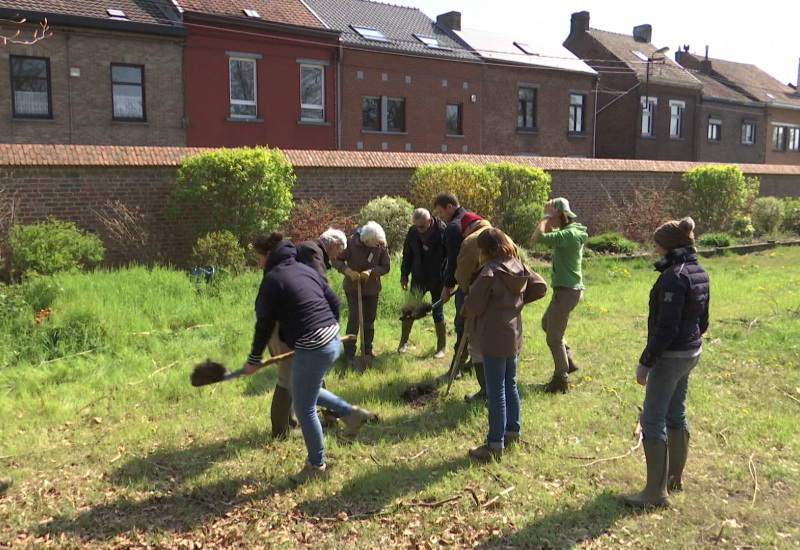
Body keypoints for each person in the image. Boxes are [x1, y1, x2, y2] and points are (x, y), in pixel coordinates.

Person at [244, 233, 374, 485]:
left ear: (268, 255)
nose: (257, 263)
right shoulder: (304, 269)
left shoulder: (272, 279)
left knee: (304, 407)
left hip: (311, 342)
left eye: (258, 258)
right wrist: (328, 329)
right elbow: (333, 300)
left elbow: (264, 325)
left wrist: (253, 359)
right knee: (301, 388)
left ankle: (316, 465)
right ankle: (351, 413)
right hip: (329, 340)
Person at [624, 217, 709, 508]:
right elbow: (703, 319)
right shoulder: (698, 270)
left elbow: (667, 327)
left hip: (672, 356)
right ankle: (673, 479)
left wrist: (646, 362)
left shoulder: (674, 276)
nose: (654, 247)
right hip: (690, 352)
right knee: (676, 413)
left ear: (668, 245)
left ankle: (654, 493)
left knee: (652, 419)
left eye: (657, 242)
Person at [463, 228, 547, 461]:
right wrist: (515, 304)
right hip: (512, 333)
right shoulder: (518, 265)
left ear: (486, 249)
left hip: (492, 335)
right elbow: (540, 286)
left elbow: (475, 306)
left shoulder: (489, 271)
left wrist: (469, 304)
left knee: (496, 390)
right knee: (509, 384)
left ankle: (494, 444)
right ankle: (512, 432)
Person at [268, 228, 348, 438]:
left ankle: (324, 416)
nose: (335, 258)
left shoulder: (302, 249)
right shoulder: (313, 252)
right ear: (332, 245)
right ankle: (280, 431)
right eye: (337, 253)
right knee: (288, 375)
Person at [530, 197, 588, 393]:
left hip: (566, 292)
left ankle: (560, 379)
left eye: (551, 217)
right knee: (547, 324)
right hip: (569, 290)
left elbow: (536, 237)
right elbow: (546, 232)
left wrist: (547, 216)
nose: (547, 221)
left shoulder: (567, 235)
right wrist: (550, 217)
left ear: (560, 215)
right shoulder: (569, 232)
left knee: (554, 339)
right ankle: (568, 360)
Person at [332, 221, 391, 367]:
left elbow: (385, 266)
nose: (378, 245)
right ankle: (349, 354)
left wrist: (370, 273)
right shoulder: (351, 242)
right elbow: (336, 259)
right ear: (366, 240)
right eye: (375, 243)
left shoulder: (381, 244)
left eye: (380, 243)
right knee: (354, 320)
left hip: (372, 289)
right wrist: (347, 271)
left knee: (369, 321)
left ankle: (367, 352)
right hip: (352, 288)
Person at [453, 212, 494, 403]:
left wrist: (469, 292)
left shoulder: (472, 241)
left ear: (469, 227)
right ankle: (498, 390)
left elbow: (462, 274)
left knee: (476, 345)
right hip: (503, 301)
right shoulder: (501, 235)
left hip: (480, 299)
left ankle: (487, 391)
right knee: (496, 345)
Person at [399, 208, 448, 357]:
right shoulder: (413, 231)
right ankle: (403, 342)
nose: (419, 230)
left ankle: (441, 347)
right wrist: (404, 276)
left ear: (430, 221)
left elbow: (450, 257)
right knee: (409, 310)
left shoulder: (442, 231)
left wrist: (448, 281)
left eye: (422, 226)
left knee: (437, 313)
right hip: (418, 277)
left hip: (437, 279)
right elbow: (407, 254)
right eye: (416, 226)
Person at [432, 192, 467, 370]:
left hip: (467, 283)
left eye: (441, 213)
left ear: (449, 207)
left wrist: (447, 287)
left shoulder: (454, 227)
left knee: (461, 325)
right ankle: (468, 364)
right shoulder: (469, 218)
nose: (440, 217)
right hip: (483, 279)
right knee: (474, 325)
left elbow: (453, 260)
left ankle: (457, 369)